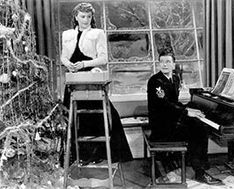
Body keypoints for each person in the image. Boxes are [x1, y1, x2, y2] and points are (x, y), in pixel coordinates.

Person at [60, 2, 133, 165]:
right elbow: (63, 56)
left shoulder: (98, 33)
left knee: (99, 116)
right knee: (73, 119)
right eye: (82, 16)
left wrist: (84, 64)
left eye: (89, 16)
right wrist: (68, 64)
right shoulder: (67, 35)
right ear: (76, 17)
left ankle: (97, 155)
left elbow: (104, 59)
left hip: (90, 77)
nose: (86, 20)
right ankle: (78, 157)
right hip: (74, 79)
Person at [147, 49, 222, 185]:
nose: (164, 65)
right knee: (199, 130)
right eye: (162, 62)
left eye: (168, 61)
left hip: (171, 120)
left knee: (195, 111)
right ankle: (200, 170)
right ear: (158, 64)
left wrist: (189, 108)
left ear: (174, 64)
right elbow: (164, 105)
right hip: (161, 127)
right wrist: (186, 112)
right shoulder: (155, 81)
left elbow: (174, 103)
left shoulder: (175, 78)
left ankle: (193, 162)